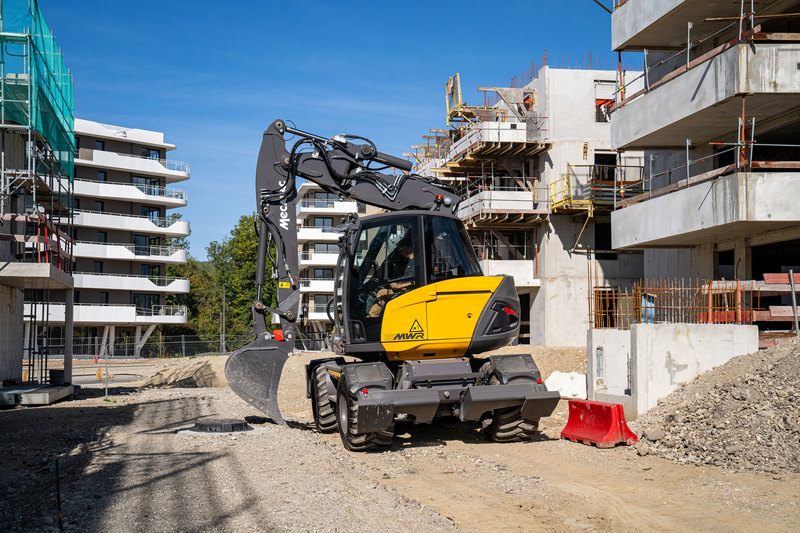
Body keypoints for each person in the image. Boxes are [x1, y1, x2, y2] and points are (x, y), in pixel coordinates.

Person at [366, 243, 415, 318]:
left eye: (401, 251)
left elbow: (414, 282)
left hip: (405, 291)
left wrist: (398, 285)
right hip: (400, 289)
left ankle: (372, 315)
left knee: (381, 293)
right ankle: (372, 314)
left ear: (407, 249)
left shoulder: (414, 263)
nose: (401, 253)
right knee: (379, 291)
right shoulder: (409, 262)